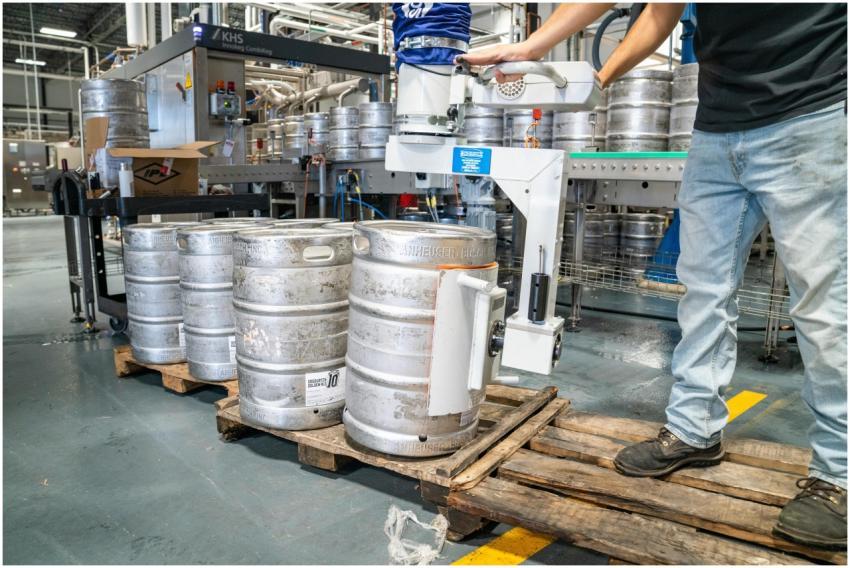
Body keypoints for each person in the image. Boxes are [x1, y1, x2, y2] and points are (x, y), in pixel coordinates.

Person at [459, 3, 847, 550]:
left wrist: (536, 44)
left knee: (824, 308)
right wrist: (592, 74)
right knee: (701, 293)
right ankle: (694, 428)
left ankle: (839, 476)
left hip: (810, 117)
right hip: (716, 129)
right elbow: (660, 12)